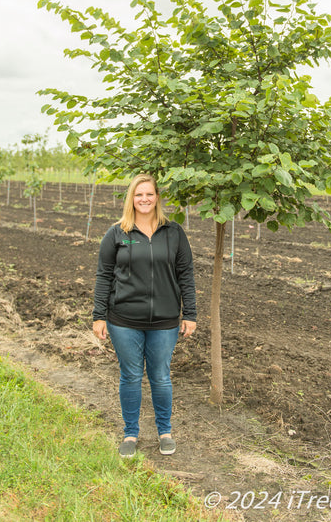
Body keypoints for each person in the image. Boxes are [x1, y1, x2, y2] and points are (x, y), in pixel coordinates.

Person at [92, 173, 197, 458]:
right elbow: (104, 276)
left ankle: (165, 431)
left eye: (149, 194)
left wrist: (190, 313)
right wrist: (99, 316)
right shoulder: (117, 234)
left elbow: (185, 274)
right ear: (131, 199)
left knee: (161, 376)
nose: (144, 199)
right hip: (123, 320)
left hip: (164, 321)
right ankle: (130, 433)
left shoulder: (173, 232)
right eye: (139, 195)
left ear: (157, 198)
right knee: (130, 376)